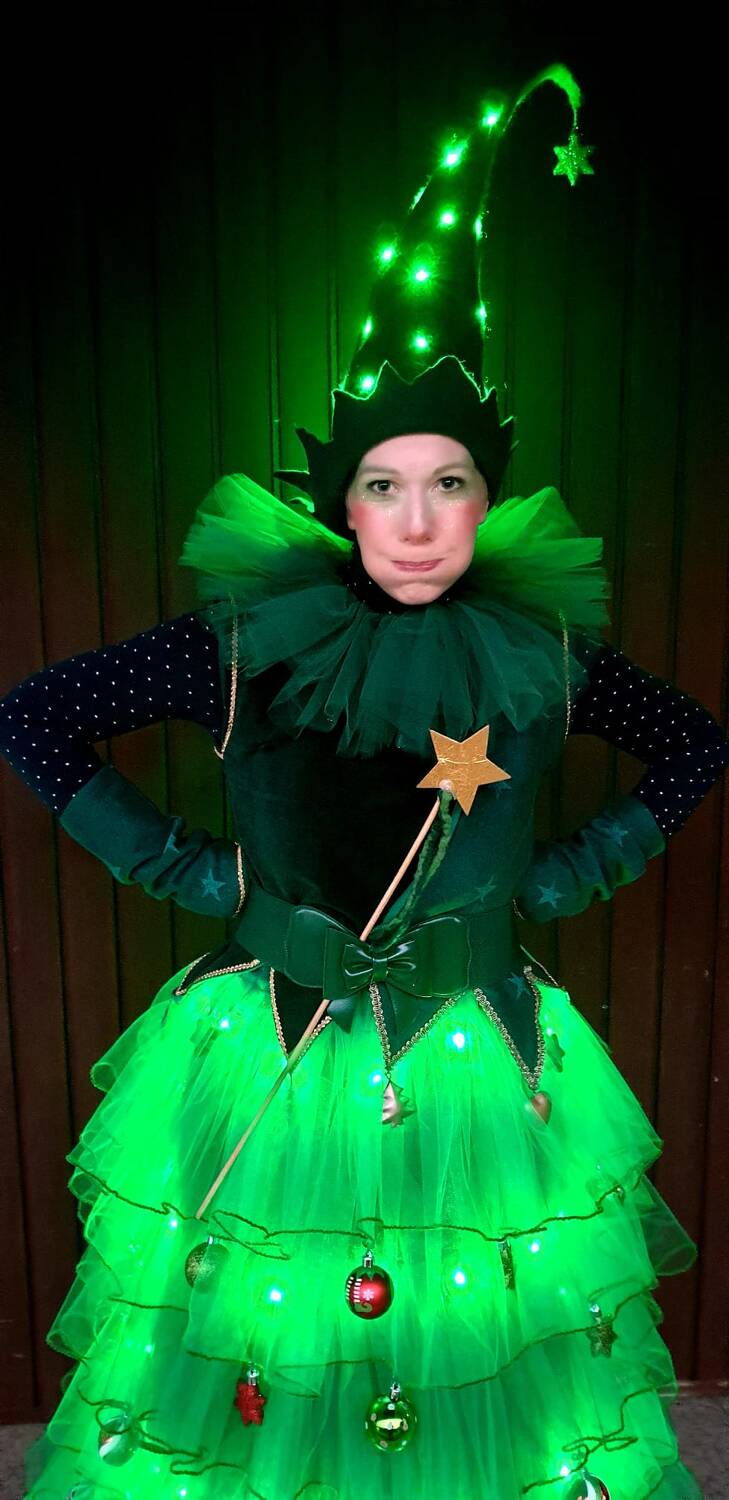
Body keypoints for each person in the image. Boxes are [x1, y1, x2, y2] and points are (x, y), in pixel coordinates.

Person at [1, 63, 727, 1500]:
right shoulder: (245, 645)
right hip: (276, 1036)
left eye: (449, 482)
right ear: (340, 501)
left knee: (489, 1347)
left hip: (474, 1049)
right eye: (384, 484)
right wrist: (195, 870)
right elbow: (36, 719)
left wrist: (564, 874)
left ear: (487, 496)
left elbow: (694, 742)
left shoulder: (541, 655)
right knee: (258, 1345)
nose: (416, 520)